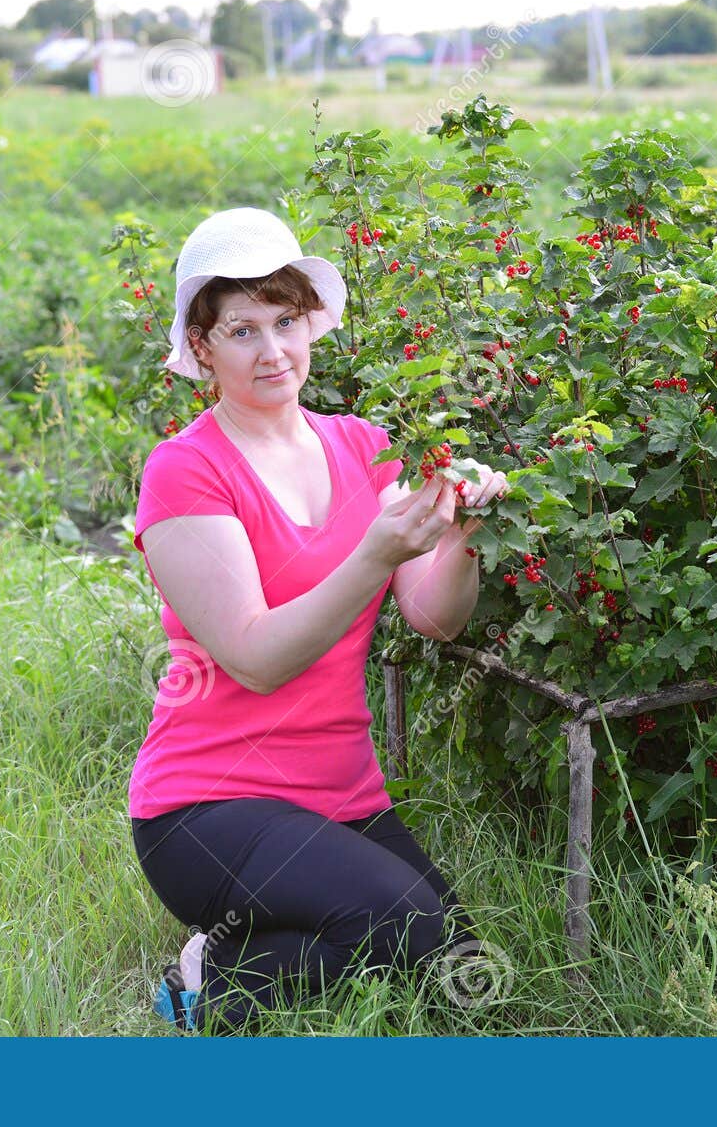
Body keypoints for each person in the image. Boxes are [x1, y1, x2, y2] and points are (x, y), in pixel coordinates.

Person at [128, 206, 509, 1034]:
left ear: (311, 324)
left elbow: (434, 617)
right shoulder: (185, 471)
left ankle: (251, 940)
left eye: (287, 321)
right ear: (202, 347)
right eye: (242, 330)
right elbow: (256, 658)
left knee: (460, 972)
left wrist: (465, 536)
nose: (273, 351)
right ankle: (209, 985)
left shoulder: (362, 444)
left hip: (339, 794)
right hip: (210, 803)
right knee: (404, 924)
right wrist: (372, 552)